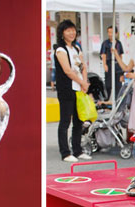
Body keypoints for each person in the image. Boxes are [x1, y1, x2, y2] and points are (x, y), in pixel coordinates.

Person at [54, 19, 91, 162]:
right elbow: (68, 71)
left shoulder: (76, 48)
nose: (72, 33)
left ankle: (78, 150)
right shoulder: (60, 49)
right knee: (65, 121)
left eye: (73, 30)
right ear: (62, 33)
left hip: (79, 88)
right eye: (68, 30)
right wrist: (81, 82)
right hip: (67, 89)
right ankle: (65, 152)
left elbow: (83, 67)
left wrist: (85, 83)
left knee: (79, 120)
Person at [100, 26, 124, 100]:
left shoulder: (119, 43)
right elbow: (103, 55)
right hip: (109, 63)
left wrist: (121, 65)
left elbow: (121, 55)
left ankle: (118, 100)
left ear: (116, 33)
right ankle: (106, 100)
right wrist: (104, 65)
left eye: (112, 32)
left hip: (117, 65)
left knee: (118, 85)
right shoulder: (105, 43)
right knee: (108, 84)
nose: (110, 34)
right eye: (109, 32)